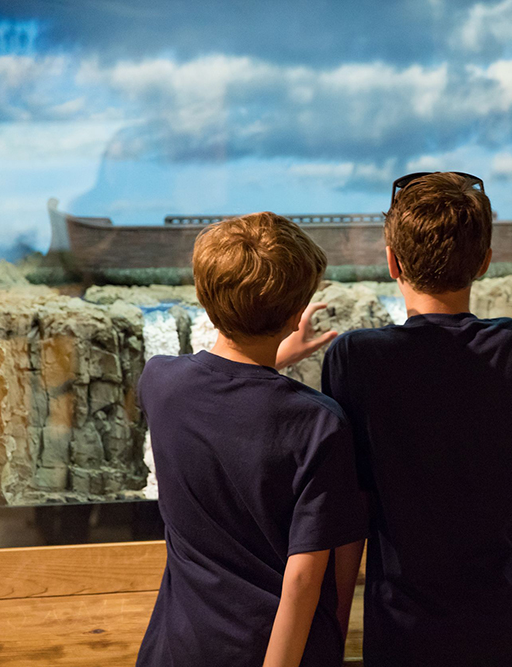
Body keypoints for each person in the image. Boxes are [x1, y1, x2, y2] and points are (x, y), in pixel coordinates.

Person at [319, 172, 512, 667]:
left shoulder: (355, 358)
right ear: (485, 262)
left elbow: (351, 510)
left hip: (402, 633)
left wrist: (335, 634)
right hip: (506, 627)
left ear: (392, 262)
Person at [136, 212, 367, 667]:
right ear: (298, 313)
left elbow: (229, 401)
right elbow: (302, 582)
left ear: (203, 297)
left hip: (179, 647)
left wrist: (272, 358)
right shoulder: (318, 424)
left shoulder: (159, 383)